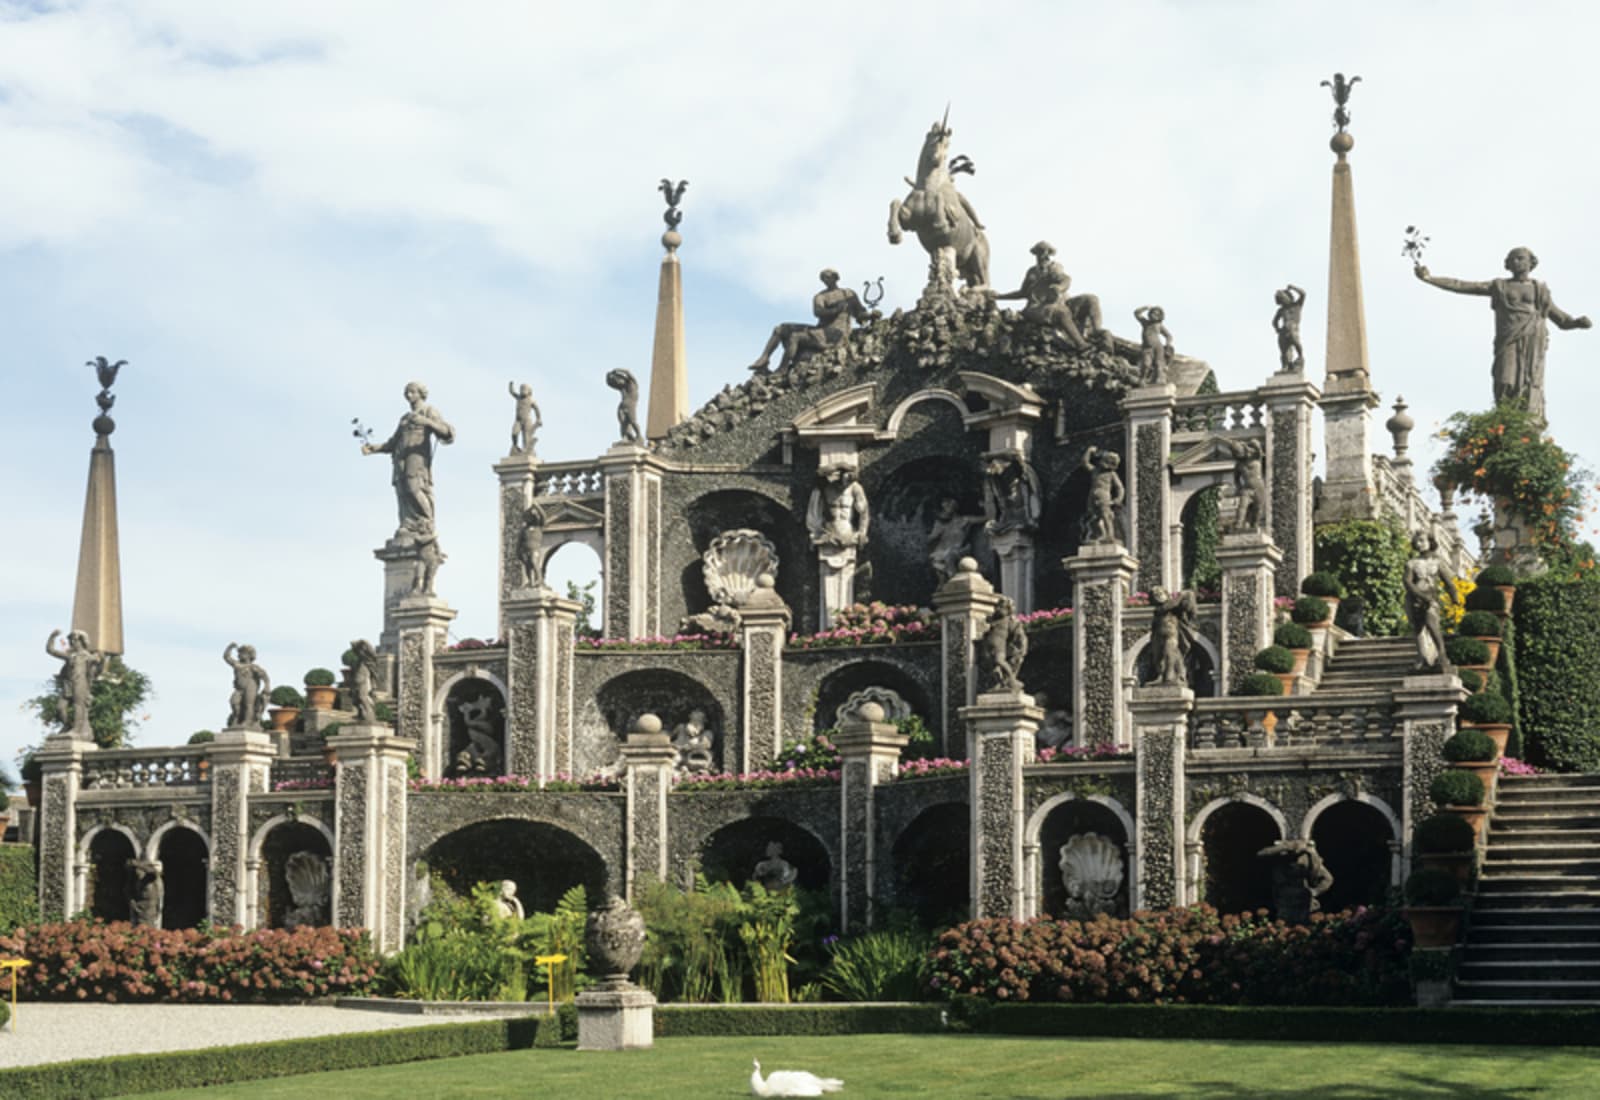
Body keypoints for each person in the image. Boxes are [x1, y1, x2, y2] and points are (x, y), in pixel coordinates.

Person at [1414, 247, 1591, 420]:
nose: (1516, 261)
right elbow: (1462, 285)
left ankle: (1526, 423)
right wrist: (1430, 279)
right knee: (1505, 380)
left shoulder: (1539, 289)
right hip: (1508, 340)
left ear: (1531, 262)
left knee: (1529, 382)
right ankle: (1505, 419)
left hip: (1532, 341)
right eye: (1512, 259)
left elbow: (1560, 319)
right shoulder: (1499, 286)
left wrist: (1576, 322)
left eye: (1520, 258)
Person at [362, 381, 454, 541]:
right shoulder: (405, 418)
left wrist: (427, 422)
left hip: (417, 456)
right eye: (406, 392)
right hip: (400, 458)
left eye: (412, 392)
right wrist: (374, 448)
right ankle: (408, 523)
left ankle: (426, 522)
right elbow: (393, 442)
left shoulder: (428, 411)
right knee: (403, 490)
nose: (408, 395)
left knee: (414, 487)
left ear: (421, 394)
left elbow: (447, 431)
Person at [749, 269, 875, 373]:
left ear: (835, 277)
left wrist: (871, 315)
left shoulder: (848, 294)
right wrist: (835, 309)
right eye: (823, 278)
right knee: (781, 328)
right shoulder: (820, 296)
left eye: (828, 277)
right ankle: (764, 358)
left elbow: (860, 313)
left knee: (795, 337)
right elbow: (818, 312)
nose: (825, 280)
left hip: (835, 333)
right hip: (821, 330)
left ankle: (782, 369)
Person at [991, 241, 1102, 350]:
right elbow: (1022, 293)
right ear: (1036, 254)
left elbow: (1066, 279)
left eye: (1046, 252)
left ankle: (1098, 333)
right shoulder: (1032, 272)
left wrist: (1059, 288)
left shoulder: (1055, 268)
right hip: (1037, 307)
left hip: (1060, 302)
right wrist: (1000, 296)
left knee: (1091, 299)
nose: (1044, 255)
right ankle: (1081, 344)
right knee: (1062, 313)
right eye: (1040, 252)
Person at [1404, 529, 1448, 671]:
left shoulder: (1437, 562)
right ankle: (1421, 657)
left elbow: (1448, 581)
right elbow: (1407, 582)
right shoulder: (1412, 563)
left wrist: (1455, 596)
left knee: (1431, 623)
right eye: (1417, 541)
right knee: (1418, 628)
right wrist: (1420, 595)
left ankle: (1442, 655)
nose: (1419, 544)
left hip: (1431, 598)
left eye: (1422, 540)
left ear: (1430, 542)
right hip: (1415, 598)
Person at [46, 628, 102, 737]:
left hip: (80, 683)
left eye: (74, 640)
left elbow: (97, 671)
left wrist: (101, 660)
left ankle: (77, 730)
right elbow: (50, 650)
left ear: (82, 641)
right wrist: (52, 637)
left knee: (78, 706)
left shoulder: (88, 657)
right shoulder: (70, 655)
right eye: (70, 640)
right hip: (68, 684)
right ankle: (67, 726)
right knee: (60, 708)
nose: (71, 642)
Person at [1144, 587, 1197, 687]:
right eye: (1155, 595)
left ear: (1166, 594)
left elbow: (1182, 605)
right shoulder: (1158, 610)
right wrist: (1181, 596)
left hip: (1171, 635)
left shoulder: (1174, 608)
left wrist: (1184, 595)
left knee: (1169, 654)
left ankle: (1169, 676)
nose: (1158, 596)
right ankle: (1161, 676)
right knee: (1157, 658)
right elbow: (1165, 608)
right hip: (1158, 636)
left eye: (1160, 593)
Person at [927, 497, 984, 584]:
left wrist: (986, 503)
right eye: (944, 506)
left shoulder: (964, 520)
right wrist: (934, 534)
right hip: (941, 553)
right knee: (937, 562)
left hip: (959, 550)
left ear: (955, 506)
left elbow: (988, 517)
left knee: (949, 556)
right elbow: (931, 538)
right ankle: (946, 582)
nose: (946, 507)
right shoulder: (939, 523)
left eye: (948, 504)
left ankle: (953, 581)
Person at [1080, 447, 1125, 545]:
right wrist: (1089, 451)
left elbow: (1120, 488)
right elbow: (1085, 463)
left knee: (1105, 515)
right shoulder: (1095, 471)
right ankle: (1100, 535)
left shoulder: (1112, 474)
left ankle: (1110, 535)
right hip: (1092, 495)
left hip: (1104, 495)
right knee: (1093, 517)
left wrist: (1118, 499)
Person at [223, 643, 270, 729]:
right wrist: (230, 647)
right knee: (234, 702)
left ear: (249, 655)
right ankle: (237, 718)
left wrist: (267, 686)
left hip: (250, 686)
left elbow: (265, 677)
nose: (239, 655)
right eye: (239, 653)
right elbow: (226, 657)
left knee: (249, 704)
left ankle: (247, 722)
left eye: (242, 653)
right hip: (239, 688)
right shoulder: (237, 664)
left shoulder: (253, 667)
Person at [1134, 305, 1174, 384]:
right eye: (1152, 313)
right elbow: (1136, 313)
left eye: (1156, 314)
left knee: (1159, 365)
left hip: (1158, 347)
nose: (1154, 315)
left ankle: (1156, 381)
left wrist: (1168, 344)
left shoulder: (1159, 325)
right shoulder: (1145, 322)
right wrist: (1145, 308)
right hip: (1147, 347)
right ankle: (1142, 379)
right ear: (1149, 314)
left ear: (1160, 316)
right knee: (1146, 364)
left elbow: (1169, 336)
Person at [1272, 284, 1306, 371]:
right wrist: (1277, 329)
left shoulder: (1297, 305)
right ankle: (1285, 366)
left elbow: (1303, 294)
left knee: (1296, 343)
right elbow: (1274, 321)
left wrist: (1293, 287)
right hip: (1283, 331)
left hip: (1293, 328)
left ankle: (1300, 357)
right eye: (1281, 300)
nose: (1283, 301)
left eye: (1283, 299)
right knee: (1284, 350)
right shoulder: (1281, 310)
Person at [507, 381, 542, 455]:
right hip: (518, 420)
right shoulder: (519, 397)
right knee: (514, 433)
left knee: (526, 437)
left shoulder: (531, 400)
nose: (522, 390)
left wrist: (538, 418)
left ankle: (526, 450)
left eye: (524, 389)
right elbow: (512, 392)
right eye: (521, 389)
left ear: (529, 391)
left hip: (527, 420)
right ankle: (515, 447)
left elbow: (537, 409)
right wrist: (511, 386)